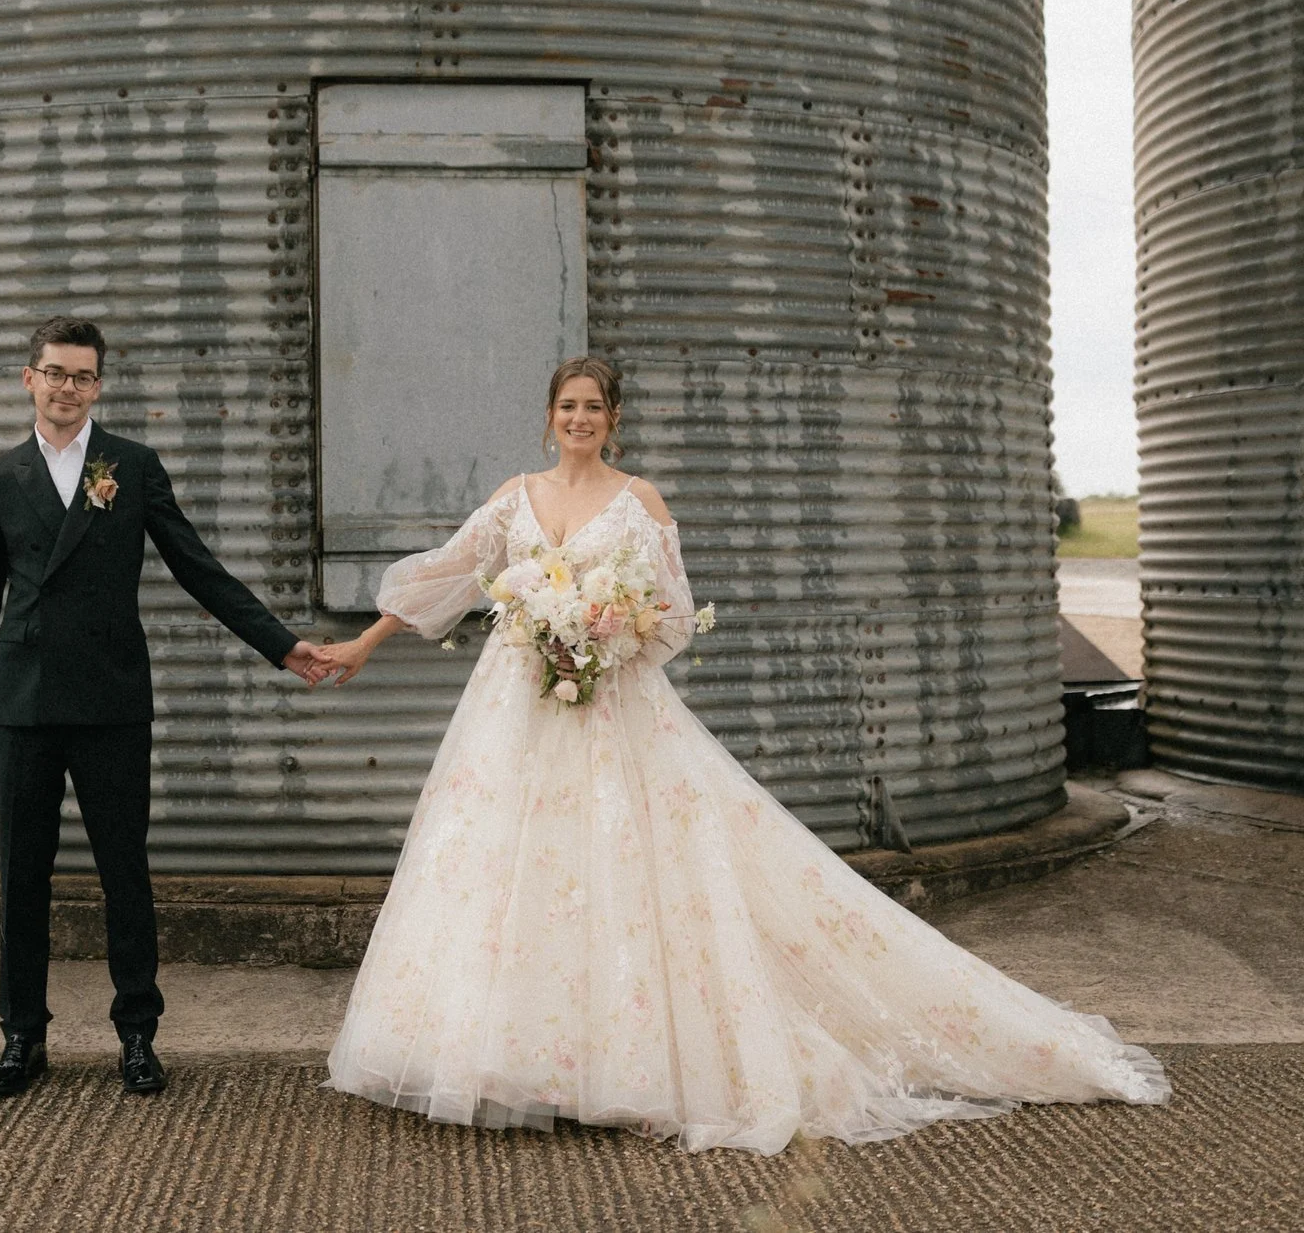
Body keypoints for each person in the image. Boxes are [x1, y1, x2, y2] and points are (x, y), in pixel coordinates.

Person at [309, 355, 1168, 1154]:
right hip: (517, 710)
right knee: (508, 869)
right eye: (567, 407)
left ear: (615, 419)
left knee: (624, 874)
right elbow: (448, 576)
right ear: (549, 418)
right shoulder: (516, 496)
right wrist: (364, 645)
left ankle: (619, 1061)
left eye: (594, 407)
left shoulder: (638, 501)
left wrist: (607, 630)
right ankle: (515, 1053)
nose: (580, 418)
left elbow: (674, 617)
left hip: (611, 711)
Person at [0, 315, 336, 1099]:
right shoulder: (0, 475)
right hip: (23, 702)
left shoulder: (131, 466)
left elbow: (198, 567)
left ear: (99, 386)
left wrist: (282, 645)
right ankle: (22, 1036)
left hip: (113, 698)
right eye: (54, 372)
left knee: (126, 871)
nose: (67, 388)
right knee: (22, 876)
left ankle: (138, 1035)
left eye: (82, 376)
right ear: (29, 378)